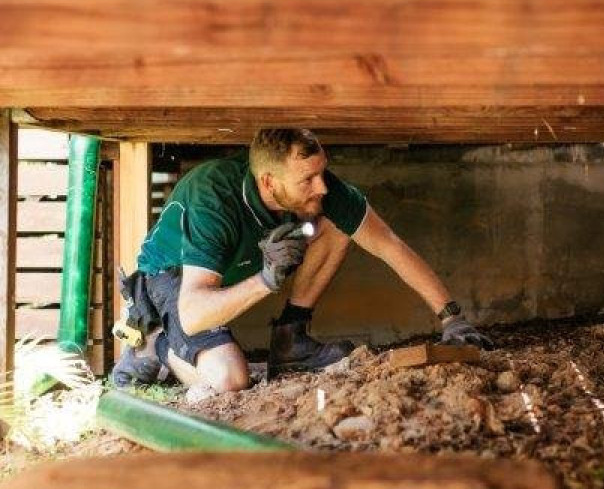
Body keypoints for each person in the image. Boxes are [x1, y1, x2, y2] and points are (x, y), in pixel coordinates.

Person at [111, 128, 493, 392]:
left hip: (220, 277)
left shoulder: (320, 188)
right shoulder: (213, 196)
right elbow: (194, 312)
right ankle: (155, 343)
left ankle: (290, 339)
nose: (322, 186)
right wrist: (266, 280)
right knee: (229, 379)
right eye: (307, 180)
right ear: (268, 182)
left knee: (339, 225)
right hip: (173, 279)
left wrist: (452, 317)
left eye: (321, 172)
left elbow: (389, 244)